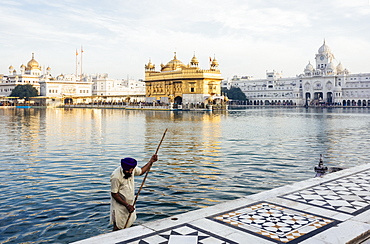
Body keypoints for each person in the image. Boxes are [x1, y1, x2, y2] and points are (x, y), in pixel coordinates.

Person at [110, 154, 158, 230]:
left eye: (132, 170)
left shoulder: (131, 170)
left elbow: (141, 171)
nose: (130, 172)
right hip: (120, 206)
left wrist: (151, 161)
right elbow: (114, 194)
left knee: (128, 223)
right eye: (128, 170)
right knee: (118, 226)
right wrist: (127, 205)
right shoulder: (116, 177)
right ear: (123, 168)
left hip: (130, 204)